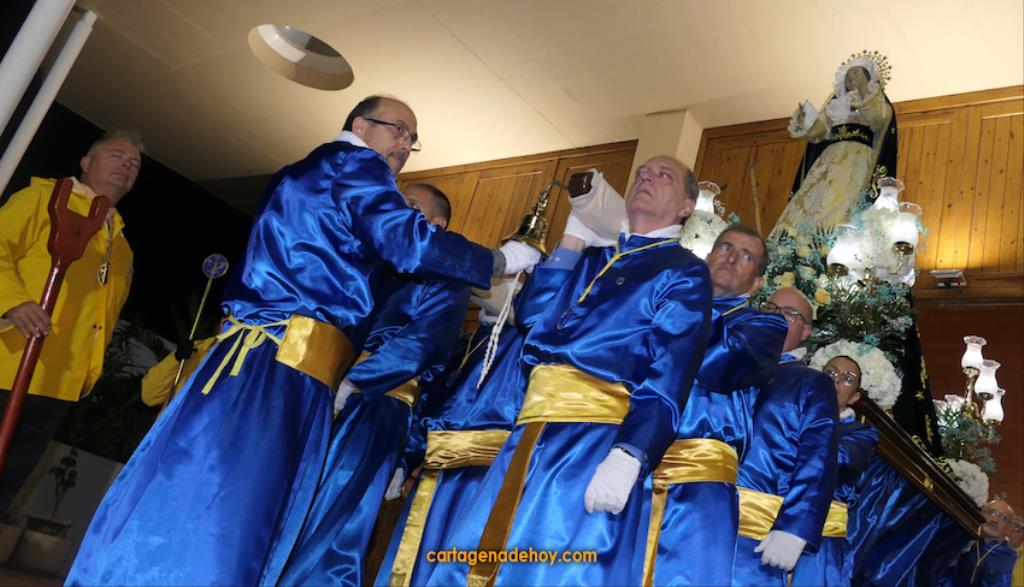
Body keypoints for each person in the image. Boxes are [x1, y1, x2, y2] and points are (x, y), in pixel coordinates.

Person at [66, 96, 539, 587]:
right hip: (284, 362)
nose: (405, 144)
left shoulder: (298, 173)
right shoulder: (356, 165)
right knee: (241, 503)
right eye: (398, 129)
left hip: (262, 355)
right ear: (360, 125)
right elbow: (408, 242)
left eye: (411, 138)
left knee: (207, 480)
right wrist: (500, 260)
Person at [423, 155, 713, 586]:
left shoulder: (684, 270)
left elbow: (670, 371)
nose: (647, 178)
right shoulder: (596, 257)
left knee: (550, 566)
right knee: (479, 555)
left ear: (687, 206)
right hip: (529, 431)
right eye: (642, 173)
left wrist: (629, 453)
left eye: (663, 175)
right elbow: (530, 316)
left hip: (592, 438)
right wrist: (571, 242)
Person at [272, 183, 470, 586]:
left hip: (377, 402)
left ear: (437, 224)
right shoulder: (374, 264)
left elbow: (424, 345)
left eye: (410, 205)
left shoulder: (445, 276)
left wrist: (360, 382)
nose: (396, 210)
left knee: (335, 520)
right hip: (326, 390)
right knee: (286, 503)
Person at [0, 131, 142, 513]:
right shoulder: (45, 200)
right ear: (86, 162)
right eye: (117, 155)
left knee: (7, 483)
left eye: (134, 164)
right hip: (10, 364)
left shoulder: (121, 245)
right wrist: (13, 302)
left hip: (58, 384)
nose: (127, 165)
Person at [644, 224, 787, 586]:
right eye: (725, 247)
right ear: (706, 257)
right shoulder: (665, 301)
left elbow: (718, 365)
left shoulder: (764, 325)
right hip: (636, 457)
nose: (731, 258)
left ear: (756, 283)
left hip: (700, 477)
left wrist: (685, 306)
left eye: (746, 256)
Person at [373, 276, 527, 587]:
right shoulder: (464, 342)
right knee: (411, 563)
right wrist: (406, 460)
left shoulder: (527, 345)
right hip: (435, 474)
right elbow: (430, 405)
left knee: (458, 566)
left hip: (485, 477)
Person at [732, 286, 839, 586]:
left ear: (805, 331)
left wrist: (794, 527)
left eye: (790, 314)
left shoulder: (813, 382)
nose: (777, 317)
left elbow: (818, 458)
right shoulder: (731, 365)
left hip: (759, 527)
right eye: (771, 308)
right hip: (696, 509)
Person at [773, 51, 896, 237]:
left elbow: (880, 120)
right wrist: (806, 119)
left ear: (868, 77)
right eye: (848, 74)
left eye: (856, 72)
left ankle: (837, 233)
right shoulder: (836, 105)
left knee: (847, 197)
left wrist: (865, 95)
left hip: (857, 157)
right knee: (816, 198)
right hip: (829, 157)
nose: (851, 76)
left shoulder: (874, 99)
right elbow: (819, 133)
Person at [791, 355, 879, 586]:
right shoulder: (791, 415)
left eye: (847, 378)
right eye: (830, 372)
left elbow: (838, 461)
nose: (836, 380)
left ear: (855, 397)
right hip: (772, 518)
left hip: (821, 535)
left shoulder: (860, 434)